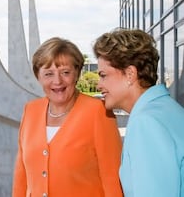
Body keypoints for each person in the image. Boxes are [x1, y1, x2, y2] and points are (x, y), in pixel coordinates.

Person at [13, 37, 123, 197]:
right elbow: (21, 176)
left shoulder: (98, 112)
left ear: (77, 73)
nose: (57, 81)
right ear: (38, 77)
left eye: (65, 72)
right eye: (48, 74)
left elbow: (112, 178)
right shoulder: (30, 111)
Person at [93, 28, 184, 196]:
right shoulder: (167, 109)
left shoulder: (146, 122)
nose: (99, 85)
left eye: (103, 75)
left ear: (130, 74)